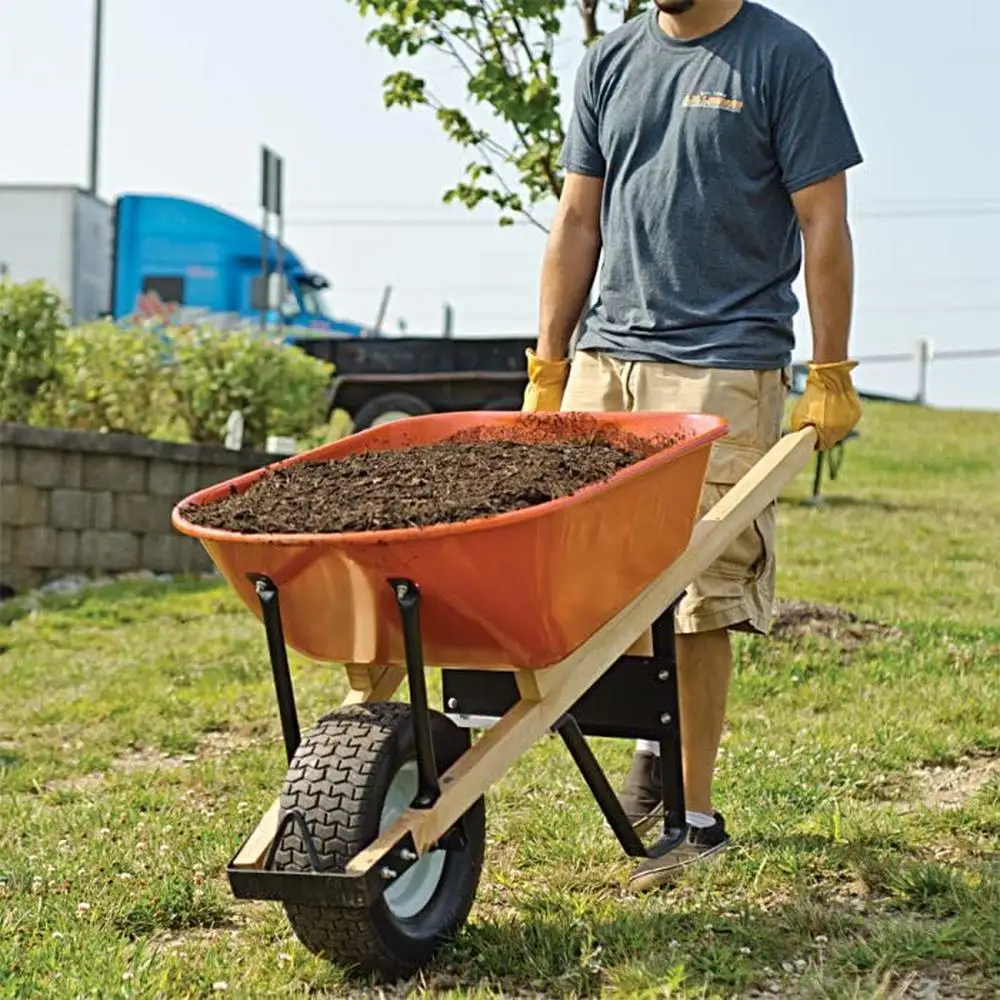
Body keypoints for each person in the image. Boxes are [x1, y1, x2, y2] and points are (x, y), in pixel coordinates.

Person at [521, 0, 864, 892]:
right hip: (609, 360)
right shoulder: (608, 60)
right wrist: (550, 363)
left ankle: (695, 818)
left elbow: (825, 221)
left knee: (703, 593)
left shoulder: (783, 59)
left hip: (723, 365)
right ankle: (650, 755)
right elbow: (577, 222)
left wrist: (830, 369)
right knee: (601, 582)